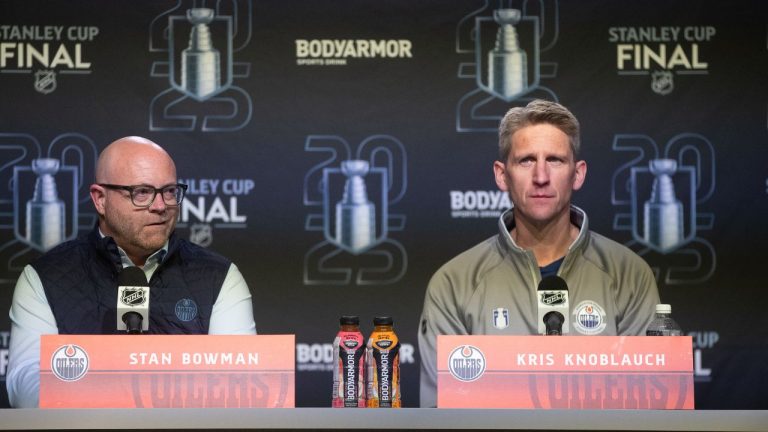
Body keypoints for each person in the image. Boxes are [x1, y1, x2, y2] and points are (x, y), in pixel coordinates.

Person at [417, 100, 660, 407]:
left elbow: (648, 408)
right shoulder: (453, 284)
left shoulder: (629, 276)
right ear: (502, 175)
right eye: (527, 161)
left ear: (578, 173)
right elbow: (442, 415)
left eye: (556, 160)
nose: (541, 176)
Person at [6, 136, 257, 408]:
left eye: (170, 191)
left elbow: (241, 387)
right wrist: (124, 395)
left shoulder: (218, 277)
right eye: (142, 192)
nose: (160, 206)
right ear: (100, 199)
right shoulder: (44, 278)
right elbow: (26, 389)